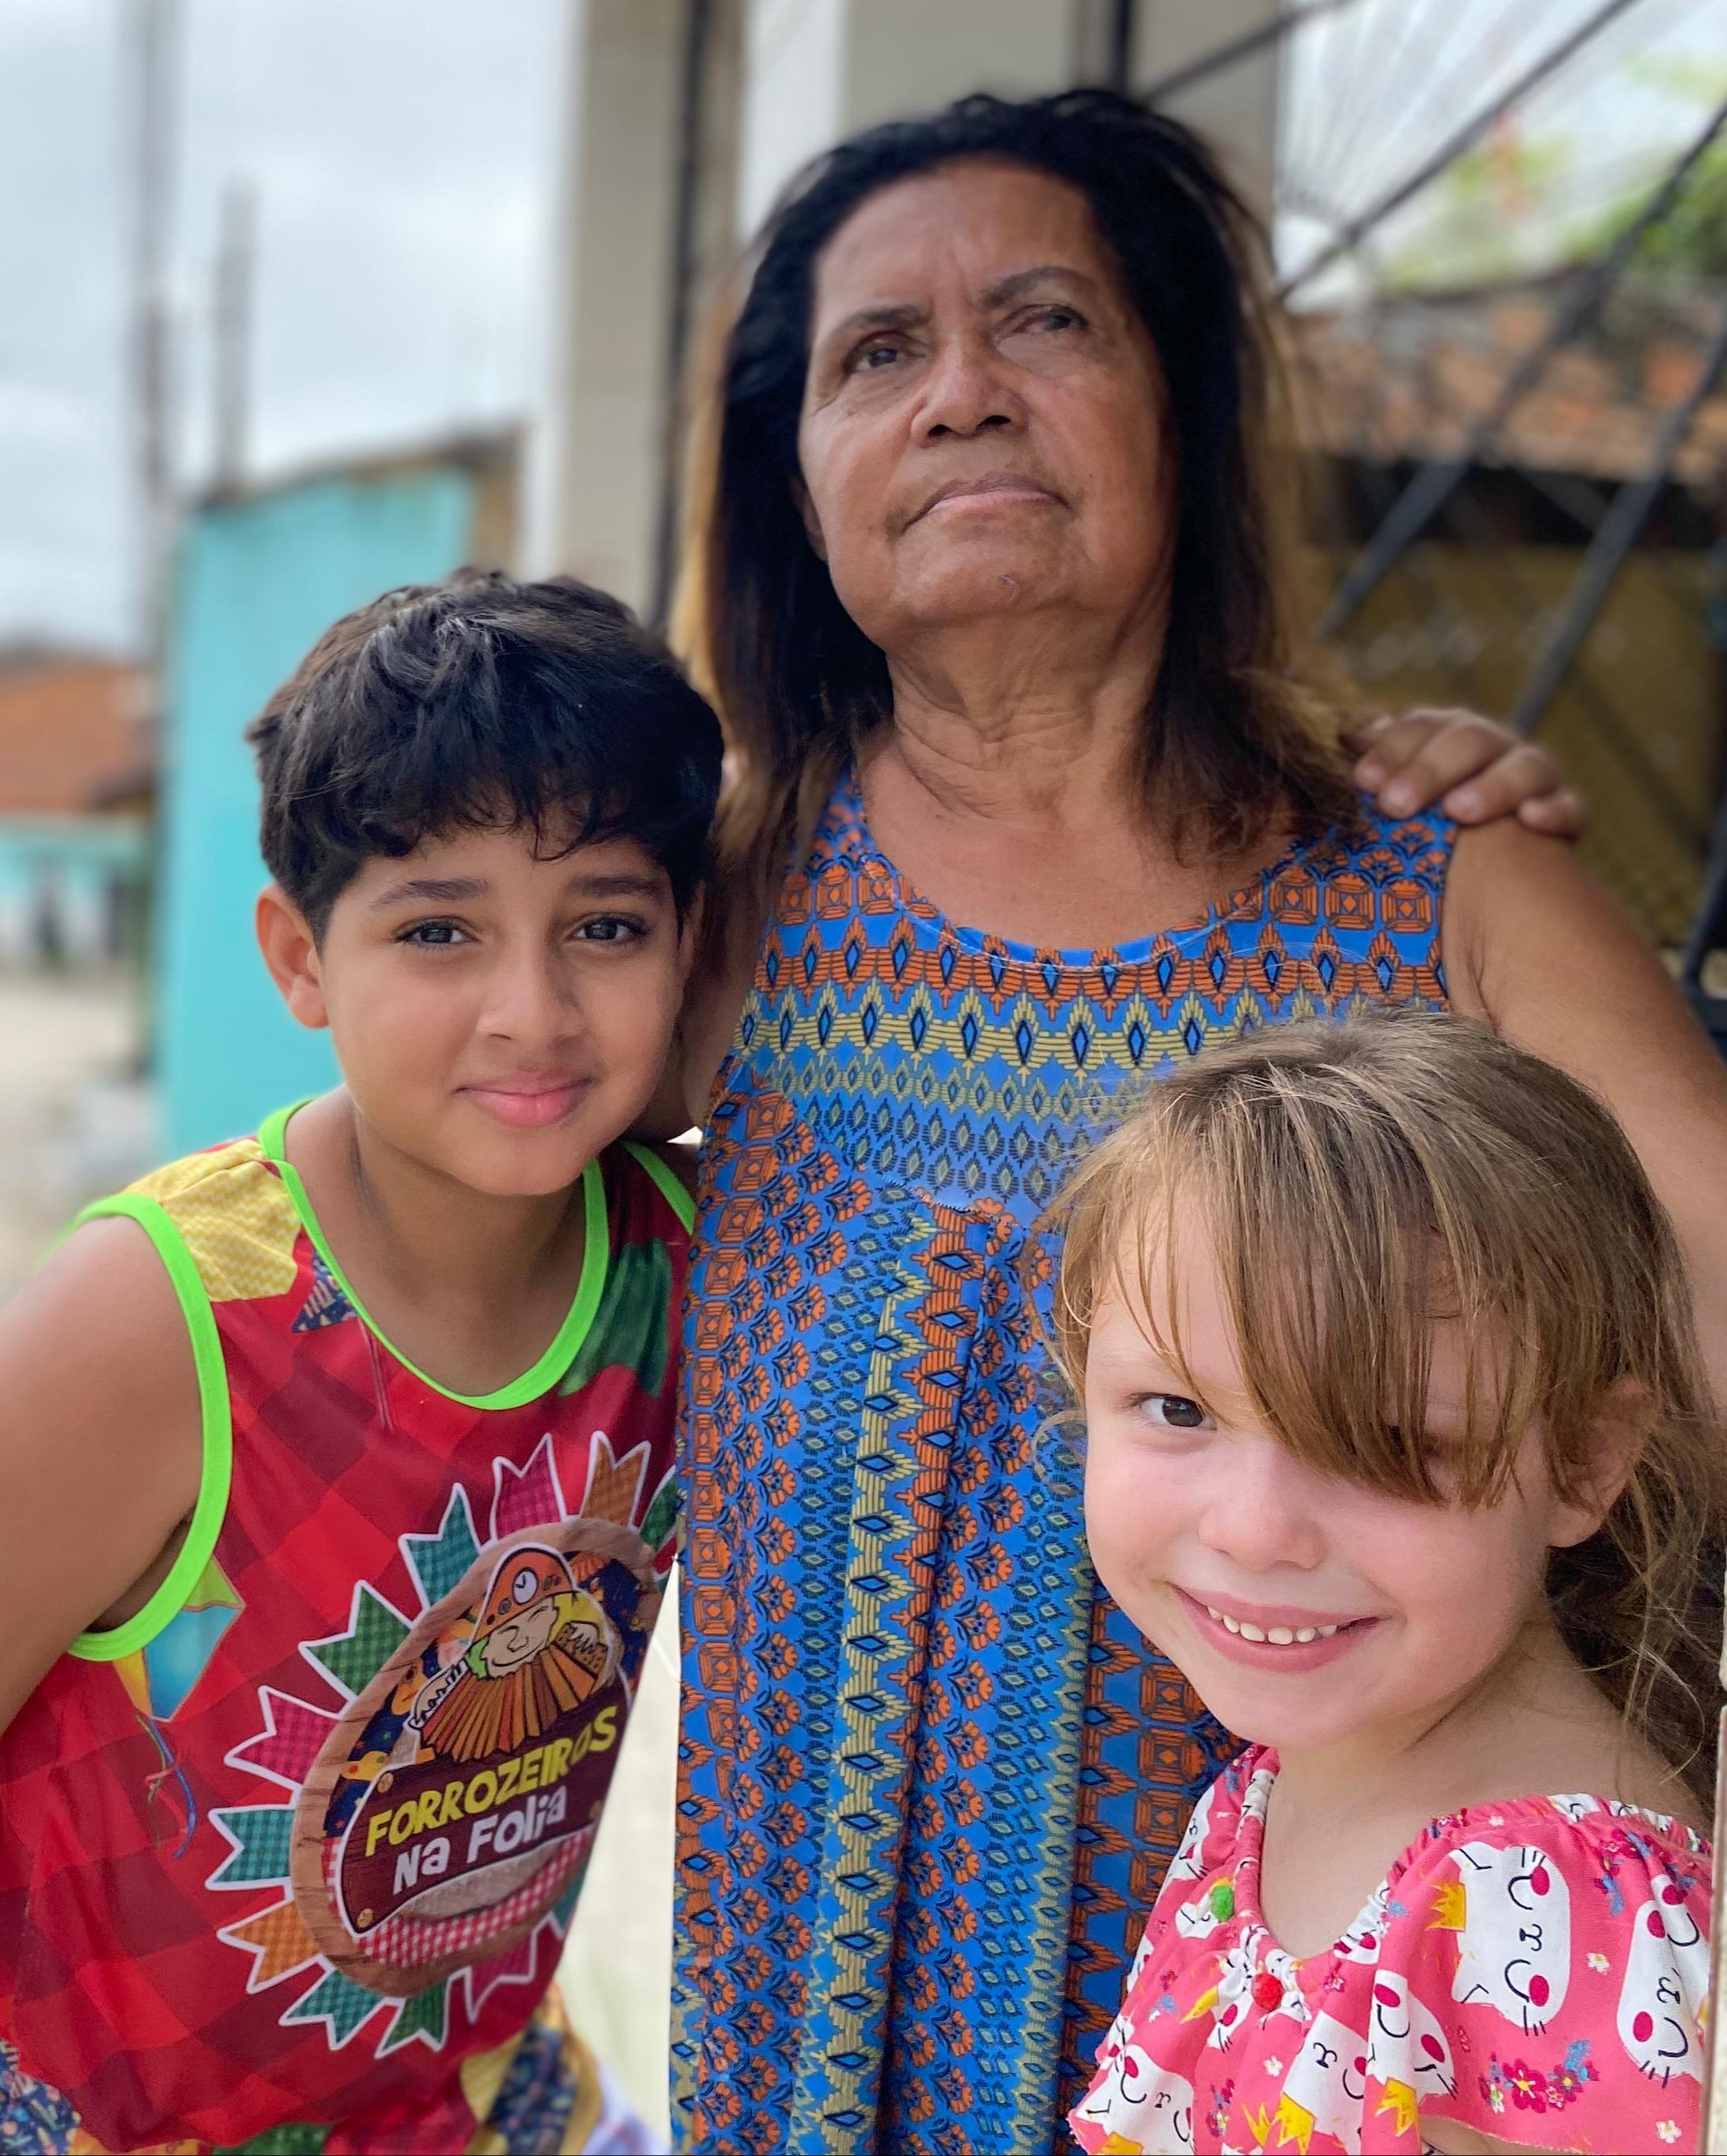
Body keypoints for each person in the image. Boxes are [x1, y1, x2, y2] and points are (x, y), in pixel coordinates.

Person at [657, 87, 1727, 2151]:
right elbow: (414, 1250)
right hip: (792, 2033)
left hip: (1370, 2044)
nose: (960, 393)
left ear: (1177, 411)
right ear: (795, 477)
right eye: (877, 353)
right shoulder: (714, 904)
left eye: (1045, 323)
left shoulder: (1443, 881)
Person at [0, 573, 720, 2154]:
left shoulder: (693, 1271)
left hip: (484, 2114)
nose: (532, 1010)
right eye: (439, 929)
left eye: (605, 923)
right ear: (300, 958)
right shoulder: (154, 1325)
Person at [1053, 1014, 1721, 2155]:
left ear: (1585, 1460)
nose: (1256, 1532)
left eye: (1389, 1442)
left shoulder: (1553, 1905)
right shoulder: (1277, 1786)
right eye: (1180, 1411)